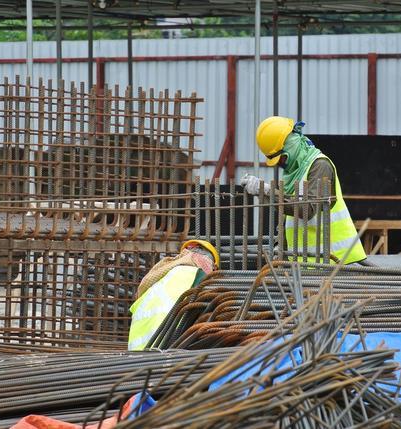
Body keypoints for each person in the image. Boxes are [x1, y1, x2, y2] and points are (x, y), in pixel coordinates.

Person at [241, 116, 366, 265]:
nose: (281, 164)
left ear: (290, 144)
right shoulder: (295, 171)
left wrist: (267, 191)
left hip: (335, 260)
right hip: (309, 262)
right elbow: (288, 211)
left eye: (282, 158)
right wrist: (280, 245)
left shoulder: (320, 166)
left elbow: (307, 208)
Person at [128, 239, 219, 351]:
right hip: (166, 348)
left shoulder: (161, 279)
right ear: (211, 264)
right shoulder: (197, 274)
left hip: (136, 353)